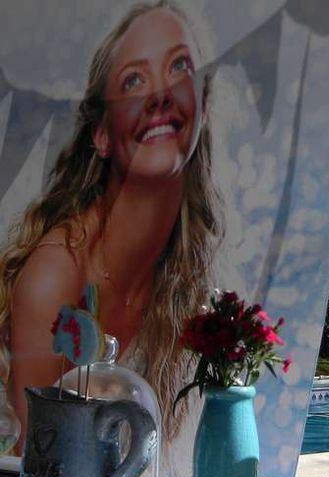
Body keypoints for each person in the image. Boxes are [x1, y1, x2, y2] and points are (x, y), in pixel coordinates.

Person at [0, 0, 223, 445]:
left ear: (200, 102)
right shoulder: (56, 272)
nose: (160, 95)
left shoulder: (189, 278)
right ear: (101, 133)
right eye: (134, 80)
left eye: (179, 67)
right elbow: (35, 469)